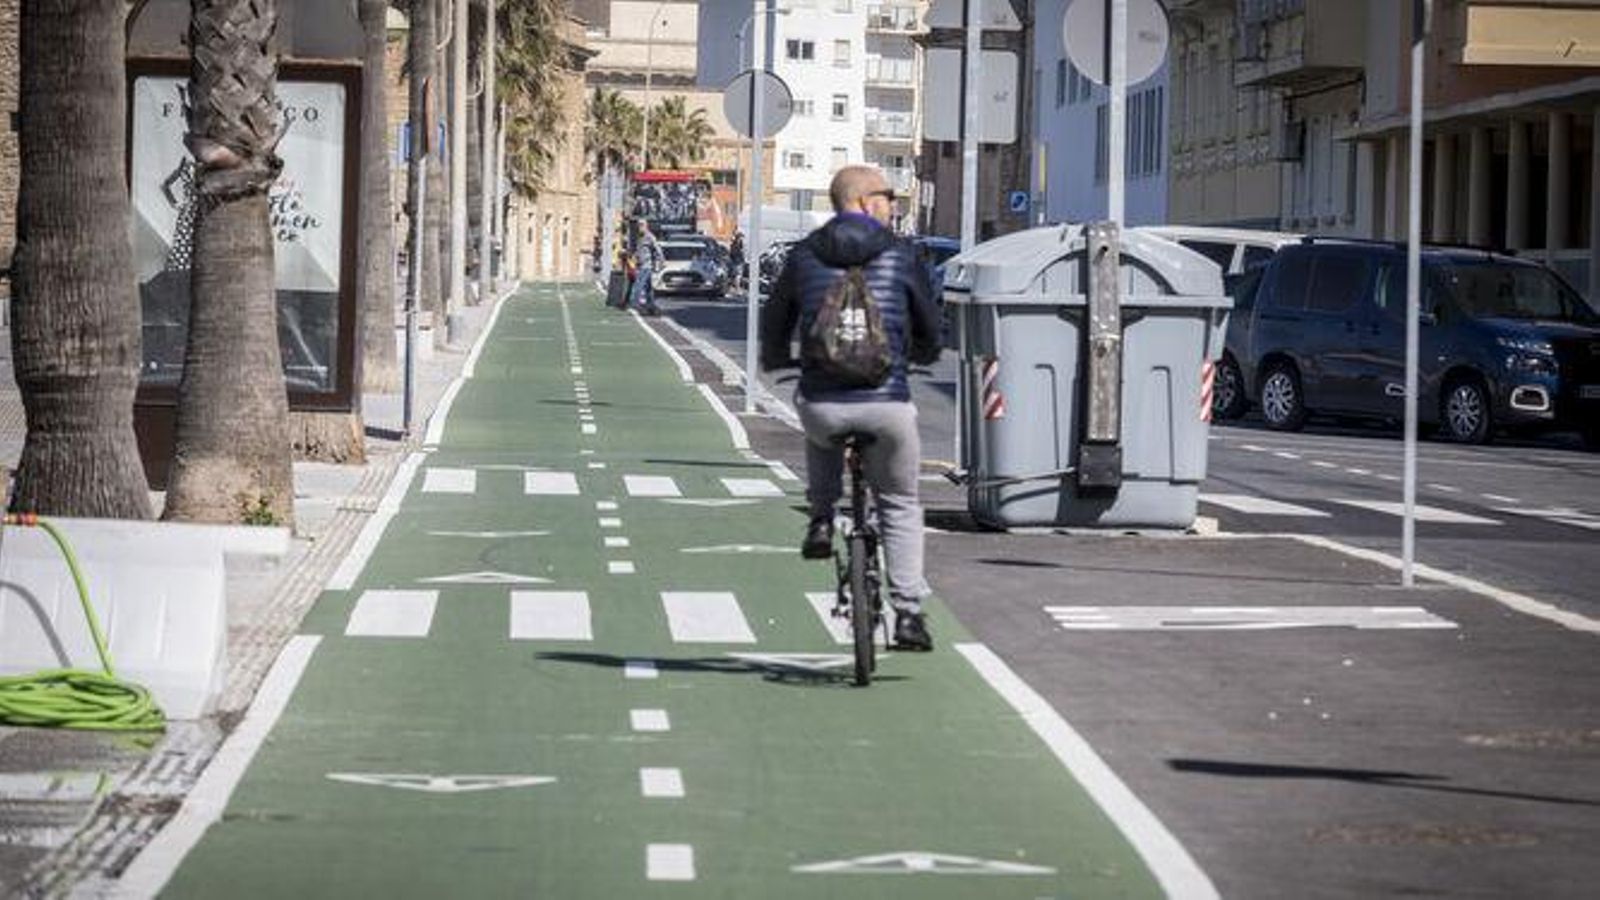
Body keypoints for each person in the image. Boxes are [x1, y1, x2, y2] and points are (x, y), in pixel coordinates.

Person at [759, 165, 942, 651]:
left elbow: (775, 319)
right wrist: (918, 355)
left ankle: (821, 517)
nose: (891, 204)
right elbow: (929, 327)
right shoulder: (901, 255)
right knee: (900, 503)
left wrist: (778, 360)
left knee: (818, 418)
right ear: (863, 201)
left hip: (824, 403)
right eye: (886, 196)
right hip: (887, 405)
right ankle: (908, 616)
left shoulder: (804, 255)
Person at [629, 221, 663, 315]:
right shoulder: (639, 237)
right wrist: (634, 257)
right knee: (648, 287)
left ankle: (635, 302)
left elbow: (658, 250)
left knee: (639, 284)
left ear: (646, 226)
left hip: (646, 265)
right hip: (640, 265)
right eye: (638, 225)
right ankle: (651, 304)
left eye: (642, 225)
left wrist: (661, 261)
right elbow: (638, 250)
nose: (640, 227)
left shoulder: (650, 237)